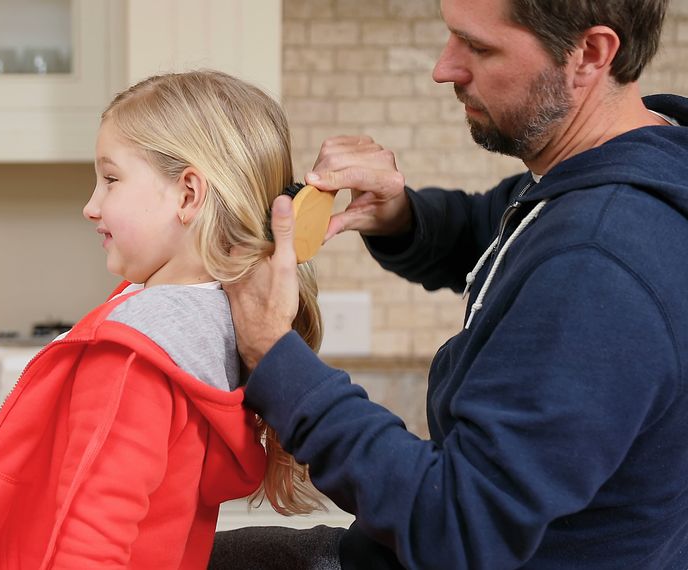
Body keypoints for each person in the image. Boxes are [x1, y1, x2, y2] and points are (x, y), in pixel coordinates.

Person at [211, 0, 688, 568]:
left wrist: (274, 356)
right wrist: (400, 217)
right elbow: (499, 226)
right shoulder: (621, 163)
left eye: (479, 47)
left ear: (589, 53)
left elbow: (458, 526)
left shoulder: (600, 262)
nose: (444, 68)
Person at [0, 70, 327, 570]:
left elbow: (91, 542)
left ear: (188, 195)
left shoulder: (136, 354)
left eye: (110, 179)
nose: (91, 206)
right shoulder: (206, 329)